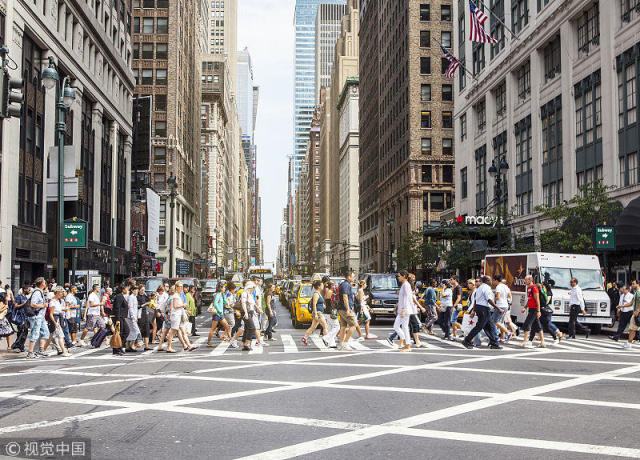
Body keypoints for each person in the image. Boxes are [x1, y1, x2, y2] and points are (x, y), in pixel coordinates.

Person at [462, 276, 502, 350]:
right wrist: (498, 308)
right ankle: (467, 340)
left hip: (480, 308)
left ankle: (494, 343)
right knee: (479, 326)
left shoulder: (479, 288)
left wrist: (474, 310)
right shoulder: (486, 287)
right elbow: (489, 300)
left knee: (490, 326)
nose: (491, 281)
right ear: (486, 280)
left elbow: (476, 301)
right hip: (484, 308)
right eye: (490, 280)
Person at [26, 278, 50, 359]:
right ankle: (30, 352)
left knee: (45, 333)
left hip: (41, 316)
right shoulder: (37, 292)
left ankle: (41, 350)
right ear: (41, 283)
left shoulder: (41, 292)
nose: (45, 283)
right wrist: (43, 306)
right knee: (35, 333)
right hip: (37, 316)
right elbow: (33, 304)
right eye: (44, 282)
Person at [43, 287, 70, 357]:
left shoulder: (58, 301)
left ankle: (43, 350)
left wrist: (65, 309)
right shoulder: (53, 302)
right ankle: (64, 351)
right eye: (61, 293)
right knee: (61, 336)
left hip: (58, 319)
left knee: (51, 336)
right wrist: (55, 323)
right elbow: (51, 314)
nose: (62, 294)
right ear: (57, 293)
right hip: (55, 319)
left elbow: (59, 309)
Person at [519, 275, 545, 348]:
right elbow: (530, 299)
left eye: (526, 280)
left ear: (530, 280)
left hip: (534, 309)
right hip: (531, 308)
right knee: (538, 326)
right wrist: (525, 307)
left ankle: (524, 342)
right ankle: (542, 342)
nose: (525, 281)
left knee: (527, 324)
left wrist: (538, 310)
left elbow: (537, 300)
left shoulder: (534, 288)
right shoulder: (529, 288)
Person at [301, 280, 328, 346]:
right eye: (322, 285)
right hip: (318, 313)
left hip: (319, 312)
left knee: (313, 327)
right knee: (325, 326)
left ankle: (305, 338)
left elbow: (319, 303)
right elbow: (314, 304)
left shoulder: (319, 293)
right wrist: (315, 314)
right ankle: (326, 340)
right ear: (319, 286)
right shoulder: (316, 294)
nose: (323, 286)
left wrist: (323, 306)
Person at [337, 272, 358, 351]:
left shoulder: (343, 284)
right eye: (353, 276)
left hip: (342, 308)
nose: (354, 278)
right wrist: (348, 309)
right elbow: (345, 297)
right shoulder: (346, 285)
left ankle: (341, 344)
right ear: (348, 277)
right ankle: (345, 343)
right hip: (345, 309)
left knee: (343, 326)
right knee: (354, 325)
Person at [392, 270, 412, 352]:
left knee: (404, 327)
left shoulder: (406, 285)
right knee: (397, 326)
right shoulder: (404, 285)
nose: (398, 277)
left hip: (405, 310)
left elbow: (406, 298)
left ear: (404, 276)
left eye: (399, 276)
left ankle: (407, 345)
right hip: (402, 310)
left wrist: (403, 310)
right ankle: (405, 341)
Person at [111, 284, 131, 356]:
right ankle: (117, 348)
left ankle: (120, 346)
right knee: (120, 332)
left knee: (125, 331)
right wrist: (117, 319)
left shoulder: (121, 296)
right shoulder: (119, 296)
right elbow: (117, 308)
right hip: (119, 317)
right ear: (123, 289)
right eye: (126, 289)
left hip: (122, 317)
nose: (127, 290)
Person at [621, 279, 640, 349]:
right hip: (635, 312)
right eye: (632, 284)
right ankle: (629, 343)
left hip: (637, 313)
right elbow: (631, 303)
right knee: (632, 328)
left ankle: (629, 343)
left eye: (633, 284)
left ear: (638, 284)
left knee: (632, 329)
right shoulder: (636, 293)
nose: (632, 285)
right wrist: (621, 306)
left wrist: (637, 310)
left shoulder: (638, 292)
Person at [10, 286, 29, 353]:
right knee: (22, 331)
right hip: (20, 317)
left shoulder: (26, 297)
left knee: (25, 331)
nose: (29, 291)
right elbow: (15, 306)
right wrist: (23, 304)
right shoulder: (19, 297)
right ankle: (16, 345)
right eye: (28, 290)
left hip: (25, 317)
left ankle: (21, 346)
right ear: (24, 290)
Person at [492, 275, 510, 341]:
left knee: (494, 321)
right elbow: (509, 295)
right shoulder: (505, 286)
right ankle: (502, 338)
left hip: (500, 305)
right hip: (505, 305)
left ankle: (508, 333)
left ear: (496, 280)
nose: (493, 282)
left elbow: (498, 297)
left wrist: (492, 299)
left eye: (493, 280)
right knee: (501, 322)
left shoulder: (498, 287)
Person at [322, 279, 339, 348]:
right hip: (330, 311)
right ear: (331, 286)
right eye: (334, 285)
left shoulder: (326, 291)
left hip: (326, 311)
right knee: (337, 326)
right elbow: (334, 302)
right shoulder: (331, 292)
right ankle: (326, 337)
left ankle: (331, 343)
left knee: (330, 327)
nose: (335, 286)